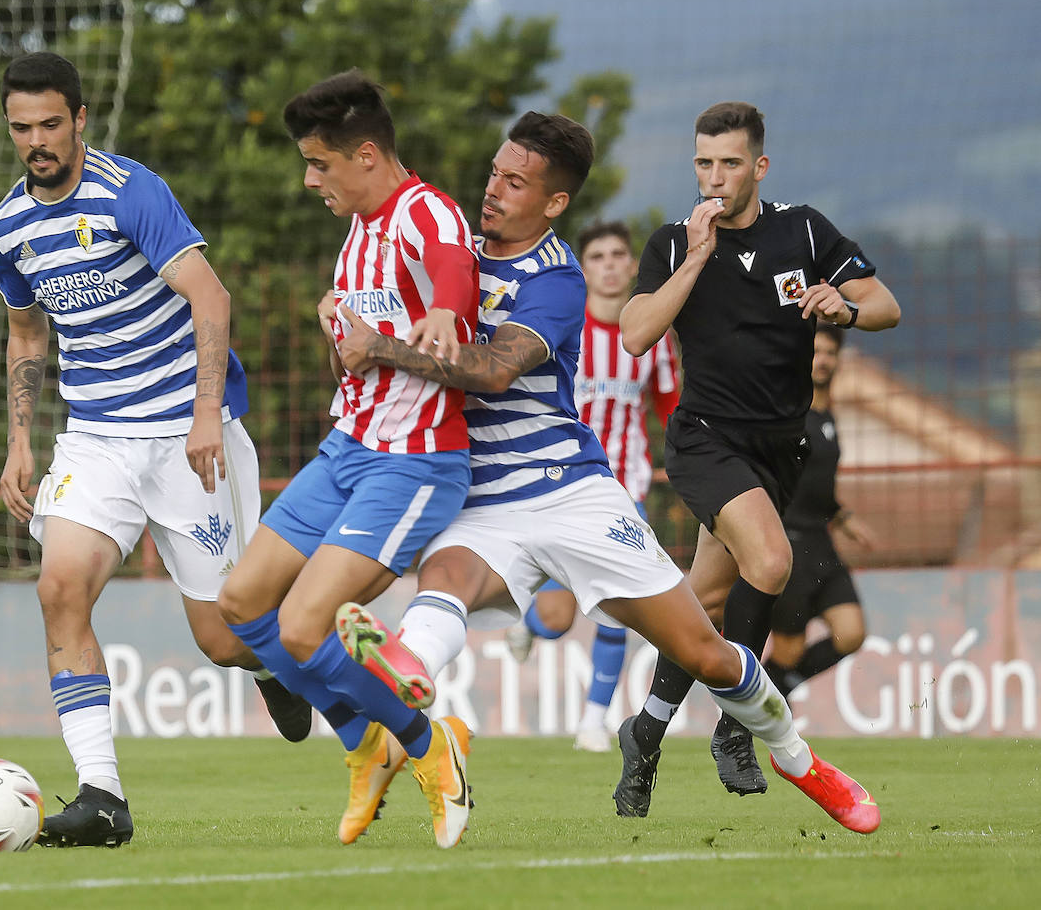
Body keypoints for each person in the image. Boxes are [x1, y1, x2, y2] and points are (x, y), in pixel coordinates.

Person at [329, 111, 880, 836]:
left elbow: (493, 371)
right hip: (481, 491)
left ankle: (797, 758)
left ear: (554, 203)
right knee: (447, 581)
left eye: (514, 182)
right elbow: (371, 302)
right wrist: (341, 314)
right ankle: (404, 676)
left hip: (570, 491)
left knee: (705, 652)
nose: (492, 190)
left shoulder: (556, 279)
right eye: (494, 172)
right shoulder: (449, 250)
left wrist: (386, 347)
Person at [0, 52, 308, 848]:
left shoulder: (133, 191)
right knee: (59, 589)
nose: (38, 141)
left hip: (185, 437)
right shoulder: (8, 225)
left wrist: (206, 413)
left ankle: (273, 664)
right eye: (23, 127)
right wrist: (21, 439)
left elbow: (211, 296)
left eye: (52, 124)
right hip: (95, 438)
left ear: (81, 120)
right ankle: (102, 798)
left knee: (224, 636)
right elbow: (26, 330)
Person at [216, 69, 481, 850]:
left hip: (413, 463)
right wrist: (337, 324)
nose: (309, 179)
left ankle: (432, 745)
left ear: (366, 154)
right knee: (242, 608)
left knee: (302, 626)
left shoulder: (423, 211)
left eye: (319, 163)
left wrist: (439, 312)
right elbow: (359, 359)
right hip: (348, 448)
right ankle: (365, 744)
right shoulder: (359, 235)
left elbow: (456, 285)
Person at [613, 101, 900, 812]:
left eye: (730, 163)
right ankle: (739, 724)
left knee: (704, 599)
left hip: (780, 447)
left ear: (759, 166)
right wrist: (699, 255)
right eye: (704, 163)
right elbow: (635, 334)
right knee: (770, 562)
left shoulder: (802, 229)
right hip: (707, 439)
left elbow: (886, 303)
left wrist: (846, 308)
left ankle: (644, 733)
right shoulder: (675, 244)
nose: (715, 177)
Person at [503, 220, 680, 752]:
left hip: (627, 493)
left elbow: (671, 412)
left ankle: (593, 722)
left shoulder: (653, 337)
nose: (607, 264)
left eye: (616, 255)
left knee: (622, 606)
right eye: (596, 255)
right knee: (557, 619)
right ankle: (530, 626)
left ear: (631, 266)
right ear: (584, 267)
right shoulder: (561, 327)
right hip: (561, 487)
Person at [764, 323, 873, 696]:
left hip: (821, 542)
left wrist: (842, 516)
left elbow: (816, 484)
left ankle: (779, 689)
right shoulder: (791, 416)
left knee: (851, 632)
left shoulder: (828, 417)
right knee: (788, 650)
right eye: (816, 352)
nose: (823, 360)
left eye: (830, 352)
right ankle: (749, 714)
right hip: (790, 543)